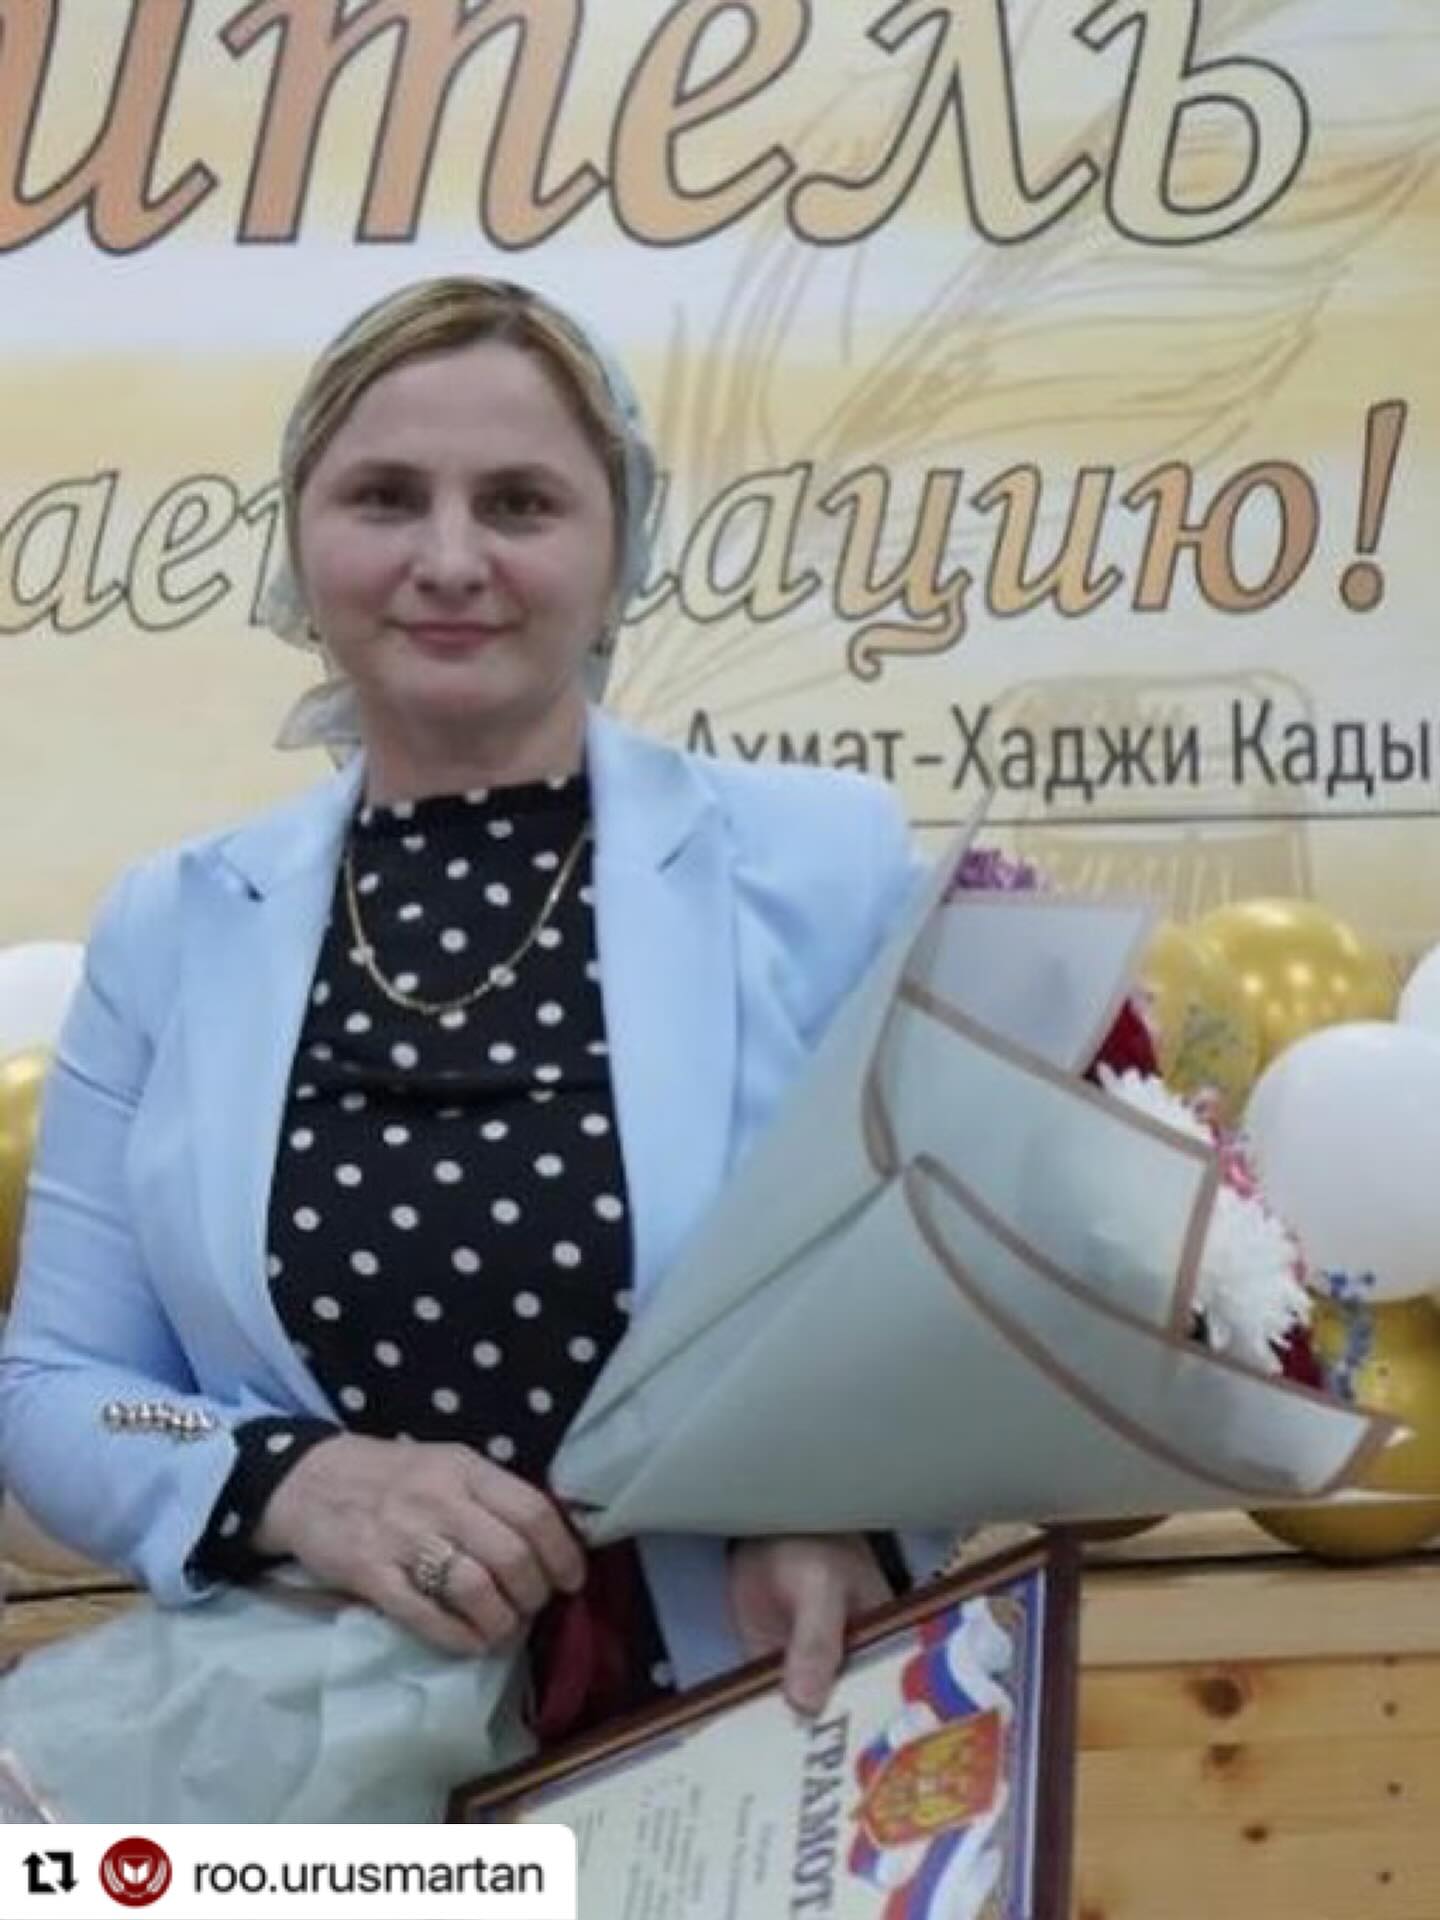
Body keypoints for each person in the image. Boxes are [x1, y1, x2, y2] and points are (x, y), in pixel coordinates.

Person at [0, 277, 916, 1759]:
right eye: (384, 497)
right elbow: (65, 1392)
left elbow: (943, 1306)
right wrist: (280, 1477)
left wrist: (852, 1510)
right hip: (317, 1765)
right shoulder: (172, 927)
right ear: (302, 540)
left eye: (518, 503)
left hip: (744, 1724)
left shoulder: (826, 866)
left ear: (620, 548)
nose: (447, 558)